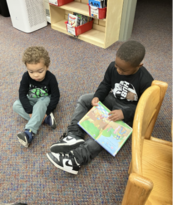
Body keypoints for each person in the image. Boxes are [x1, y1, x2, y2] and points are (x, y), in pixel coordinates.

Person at [46, 40, 153, 175]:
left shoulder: (147, 81)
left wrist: (125, 113)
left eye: (124, 70)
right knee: (84, 99)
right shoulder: (113, 67)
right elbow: (105, 84)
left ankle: (76, 159)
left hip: (127, 110)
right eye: (117, 66)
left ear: (139, 65)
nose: (118, 71)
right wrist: (98, 96)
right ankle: (74, 135)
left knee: (108, 133)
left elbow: (144, 108)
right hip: (113, 98)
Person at [13, 46, 60, 148]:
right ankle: (46, 119)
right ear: (26, 68)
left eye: (40, 71)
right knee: (16, 105)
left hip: (44, 100)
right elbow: (22, 93)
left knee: (40, 105)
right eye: (31, 72)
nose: (35, 75)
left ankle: (29, 133)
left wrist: (47, 111)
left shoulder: (51, 78)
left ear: (47, 67)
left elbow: (56, 96)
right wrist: (30, 111)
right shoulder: (26, 76)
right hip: (31, 99)